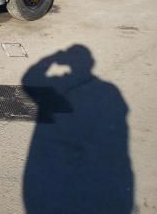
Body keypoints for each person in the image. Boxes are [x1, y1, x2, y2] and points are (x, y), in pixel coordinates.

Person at [22, 45, 133, 214]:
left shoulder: (60, 85)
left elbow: (29, 80)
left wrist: (52, 58)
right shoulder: (109, 91)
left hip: (55, 172)